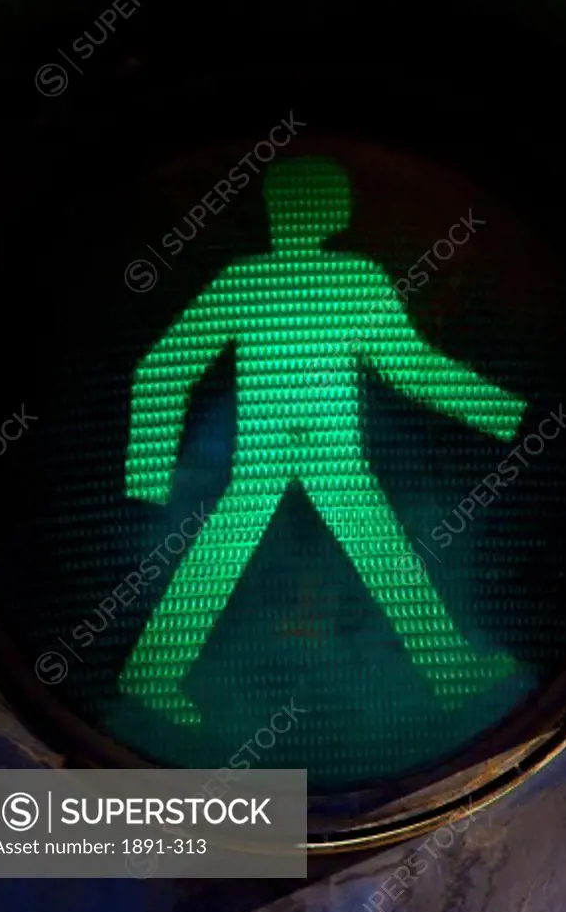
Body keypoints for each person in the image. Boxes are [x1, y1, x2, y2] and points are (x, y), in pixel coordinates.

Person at [119, 155, 529, 725]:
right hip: (316, 453)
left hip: (299, 453)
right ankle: (450, 669)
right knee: (364, 554)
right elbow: (413, 368)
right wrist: (504, 413)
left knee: (270, 555)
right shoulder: (349, 278)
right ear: (334, 210)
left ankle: (153, 674)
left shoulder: (247, 280)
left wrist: (148, 472)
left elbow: (162, 368)